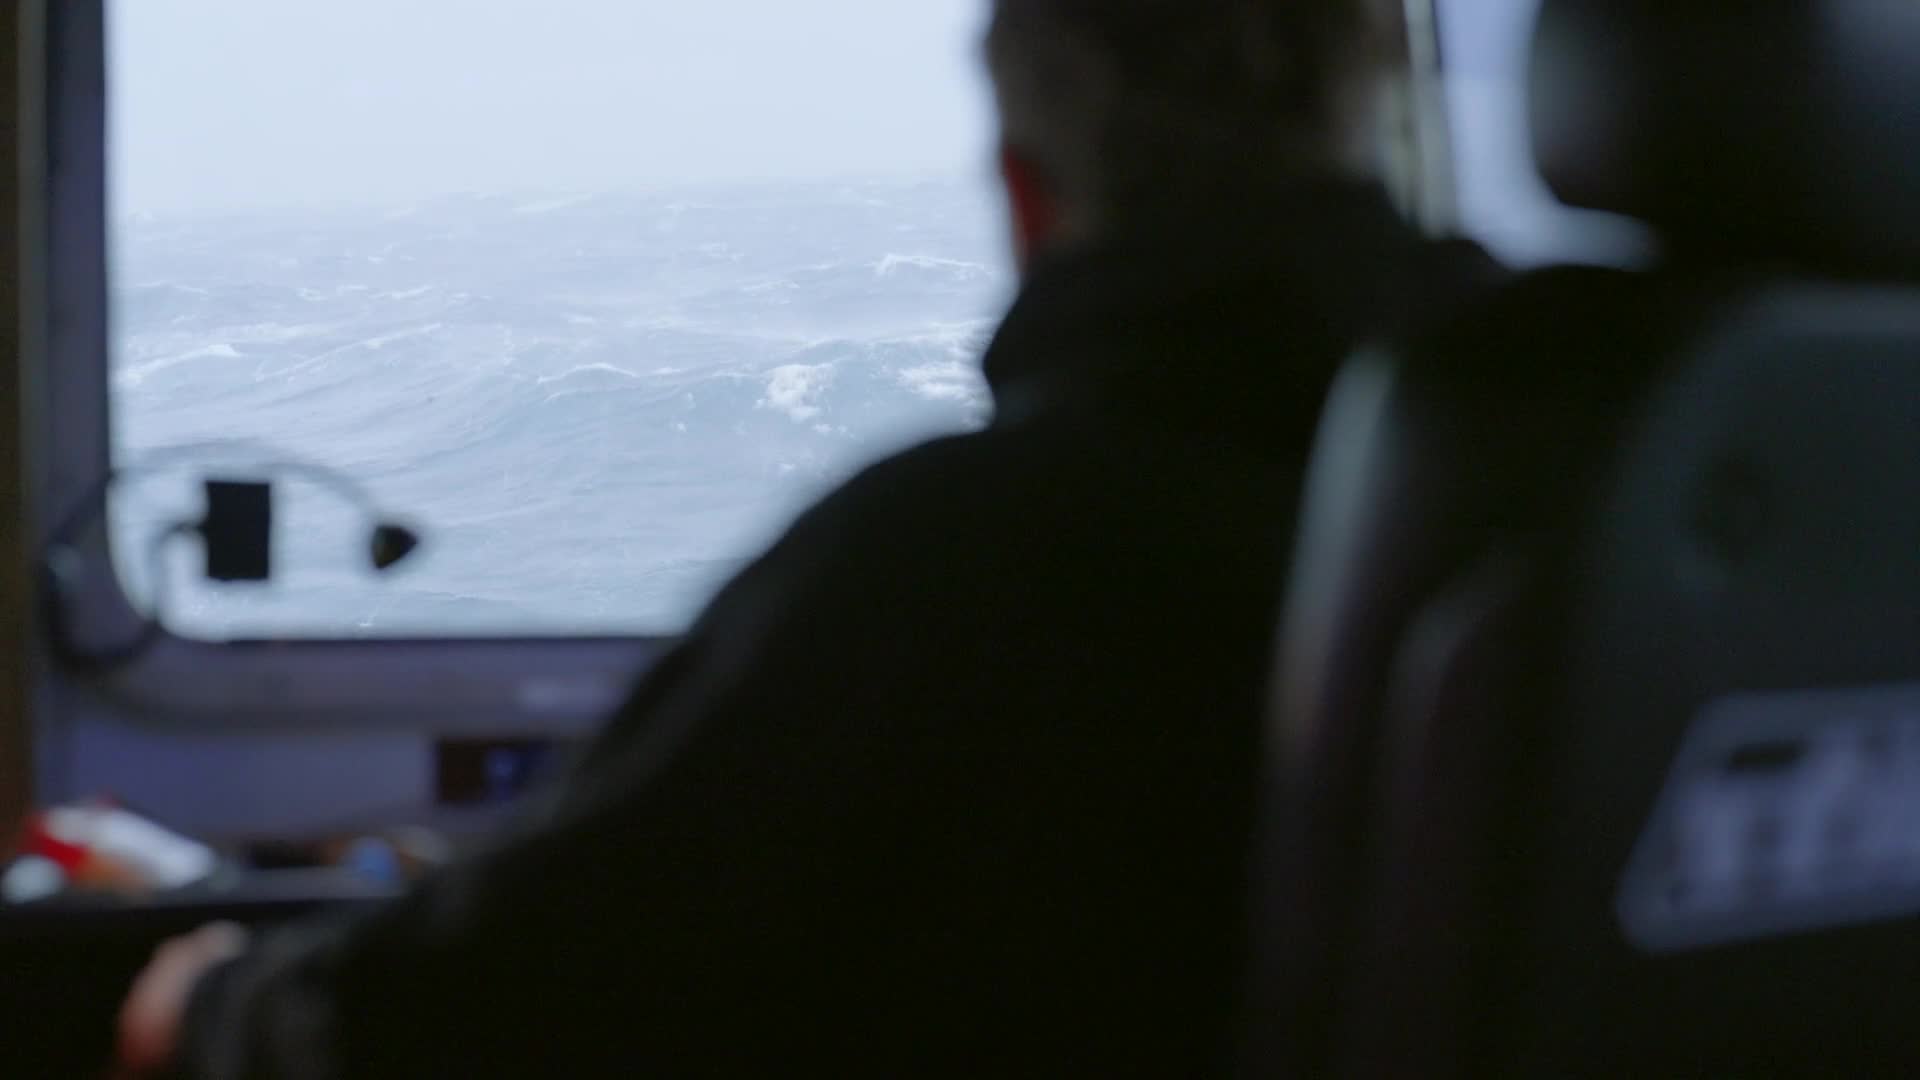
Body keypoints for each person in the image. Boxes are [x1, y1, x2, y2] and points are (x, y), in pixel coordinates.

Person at [120, 2, 1498, 1075]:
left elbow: (526, 998)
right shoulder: (1569, 469)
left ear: (1026, 199)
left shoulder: (970, 556)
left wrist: (224, 1007)